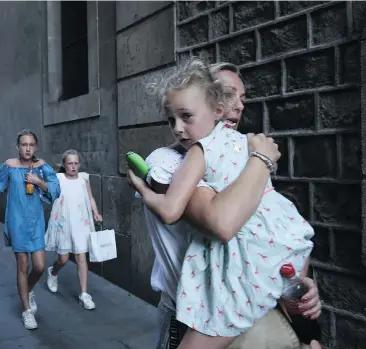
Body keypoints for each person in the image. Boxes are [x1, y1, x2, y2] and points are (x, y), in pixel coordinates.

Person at [128, 59, 321, 349]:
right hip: (198, 314)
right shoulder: (169, 161)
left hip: (252, 308)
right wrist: (262, 160)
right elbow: (222, 223)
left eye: (242, 98)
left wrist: (297, 287)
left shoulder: (238, 153)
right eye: (226, 93)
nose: (237, 105)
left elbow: (272, 234)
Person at [0, 129, 60, 330]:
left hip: (35, 222)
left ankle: (28, 290)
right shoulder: (9, 166)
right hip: (16, 222)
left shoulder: (42, 167)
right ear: (17, 147)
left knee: (40, 267)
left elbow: (55, 189)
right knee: (22, 266)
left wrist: (38, 182)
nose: (27, 148)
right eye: (23, 144)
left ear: (36, 147)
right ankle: (26, 311)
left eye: (31, 144)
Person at [45, 149, 103, 310]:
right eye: (69, 163)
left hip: (81, 222)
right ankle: (53, 272)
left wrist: (96, 212)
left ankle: (84, 294)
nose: (73, 166)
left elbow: (90, 197)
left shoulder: (84, 178)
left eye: (76, 163)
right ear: (64, 165)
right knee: (63, 259)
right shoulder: (59, 178)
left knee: (81, 258)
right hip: (64, 222)